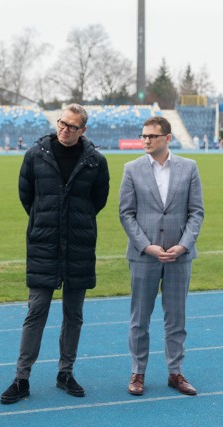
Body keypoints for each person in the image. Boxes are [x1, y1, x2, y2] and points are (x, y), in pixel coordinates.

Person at [0, 104, 110, 404]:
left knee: (73, 315)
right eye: (62, 123)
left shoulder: (95, 162)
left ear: (83, 130)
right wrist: (45, 221)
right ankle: (21, 378)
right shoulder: (35, 156)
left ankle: (66, 372)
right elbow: (28, 197)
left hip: (78, 245)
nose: (65, 129)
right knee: (36, 312)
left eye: (72, 126)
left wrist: (75, 222)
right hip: (44, 244)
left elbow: (97, 201)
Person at [119, 116, 204, 396]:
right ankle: (138, 372)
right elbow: (126, 213)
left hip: (180, 256)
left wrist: (183, 245)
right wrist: (147, 246)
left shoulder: (189, 168)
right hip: (144, 256)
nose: (145, 140)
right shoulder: (131, 169)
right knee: (139, 318)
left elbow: (196, 212)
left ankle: (175, 373)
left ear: (167, 138)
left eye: (152, 136)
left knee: (176, 318)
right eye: (143, 136)